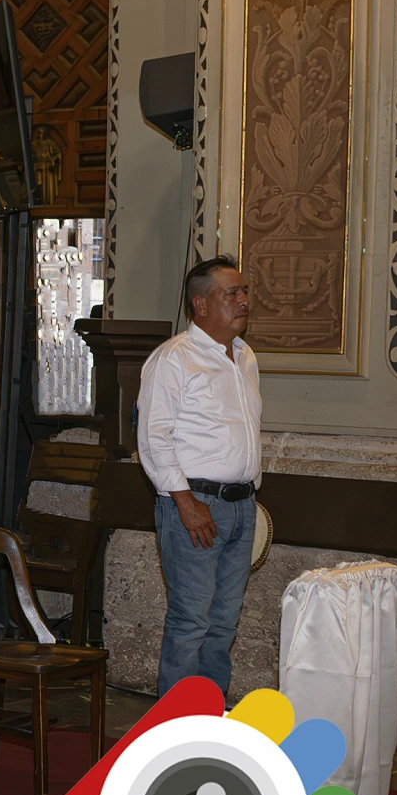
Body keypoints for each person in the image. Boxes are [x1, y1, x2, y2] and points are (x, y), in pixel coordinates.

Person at [137, 256, 262, 697]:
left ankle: (209, 720)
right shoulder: (174, 359)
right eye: (232, 293)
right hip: (193, 505)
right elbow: (154, 437)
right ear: (200, 305)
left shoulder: (244, 357)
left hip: (241, 507)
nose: (244, 300)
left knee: (224, 622)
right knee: (191, 620)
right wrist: (185, 503)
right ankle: (173, 727)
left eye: (244, 291)